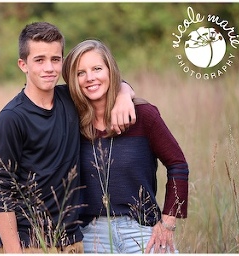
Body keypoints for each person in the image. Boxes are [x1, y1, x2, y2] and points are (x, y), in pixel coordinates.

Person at [0, 22, 137, 253]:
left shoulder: (70, 99)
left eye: (55, 59)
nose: (49, 68)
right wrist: (13, 250)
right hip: (30, 243)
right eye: (39, 60)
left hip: (72, 242)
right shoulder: (11, 119)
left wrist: (124, 93)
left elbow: (104, 83)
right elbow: (1, 188)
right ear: (23, 65)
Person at [62, 39, 188, 254]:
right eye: (80, 73)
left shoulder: (143, 115)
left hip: (142, 230)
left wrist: (167, 223)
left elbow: (177, 165)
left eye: (97, 69)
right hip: (92, 235)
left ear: (111, 71)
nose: (90, 77)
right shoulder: (68, 118)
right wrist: (123, 90)